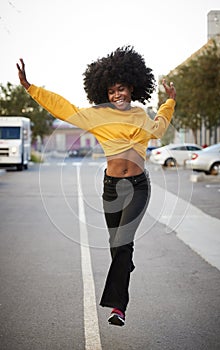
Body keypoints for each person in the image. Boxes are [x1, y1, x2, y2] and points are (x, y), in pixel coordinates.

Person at [17, 46, 176, 327]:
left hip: (138, 187)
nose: (118, 95)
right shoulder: (97, 116)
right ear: (105, 92)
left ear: (132, 88)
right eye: (113, 91)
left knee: (123, 241)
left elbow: (160, 127)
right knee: (116, 245)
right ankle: (124, 263)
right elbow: (64, 108)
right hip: (112, 189)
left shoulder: (140, 116)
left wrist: (170, 102)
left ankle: (118, 307)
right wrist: (31, 88)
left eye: (123, 89)